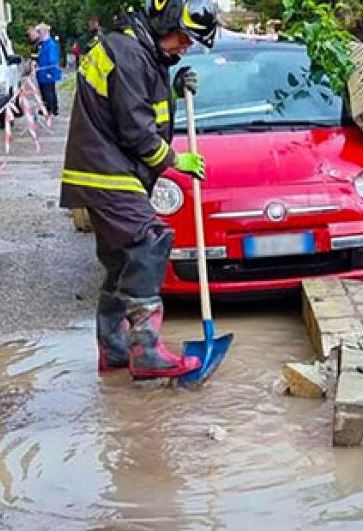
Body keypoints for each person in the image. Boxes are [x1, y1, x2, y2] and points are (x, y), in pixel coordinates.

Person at [60, 0, 219, 380]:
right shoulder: (130, 54)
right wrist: (174, 160)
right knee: (151, 240)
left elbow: (144, 107)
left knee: (121, 263)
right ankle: (145, 351)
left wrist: (174, 90)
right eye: (183, 38)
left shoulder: (136, 49)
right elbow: (136, 130)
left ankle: (114, 351)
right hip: (109, 173)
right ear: (164, 22)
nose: (185, 47)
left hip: (100, 171)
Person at [31, 24, 62, 116]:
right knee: (46, 91)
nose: (38, 34)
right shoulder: (43, 44)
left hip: (46, 72)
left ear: (44, 32)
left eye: (39, 32)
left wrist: (50, 72)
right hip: (42, 72)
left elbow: (52, 59)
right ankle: (50, 108)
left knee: (48, 91)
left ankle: (50, 109)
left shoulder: (50, 44)